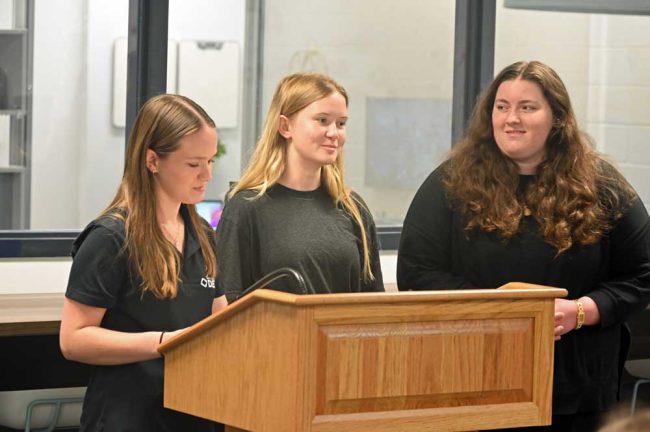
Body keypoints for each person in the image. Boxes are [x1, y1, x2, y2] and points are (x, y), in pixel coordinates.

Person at [397, 61, 650, 431]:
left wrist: (581, 311)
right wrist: (499, 311)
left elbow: (642, 273)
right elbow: (417, 274)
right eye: (502, 107)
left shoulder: (602, 186)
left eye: (527, 107)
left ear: (557, 118)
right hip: (475, 380)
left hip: (577, 386)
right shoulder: (451, 184)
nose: (511, 118)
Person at [59, 94, 227, 432]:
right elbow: (74, 340)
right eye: (193, 164)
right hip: (129, 416)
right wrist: (165, 343)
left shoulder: (202, 236)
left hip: (194, 413)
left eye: (210, 162)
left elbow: (220, 320)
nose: (206, 175)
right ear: (153, 160)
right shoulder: (110, 238)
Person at [215, 73, 384, 301]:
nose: (333, 133)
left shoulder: (352, 208)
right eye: (322, 120)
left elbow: (373, 305)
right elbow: (229, 307)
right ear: (285, 126)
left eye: (341, 123)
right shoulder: (246, 209)